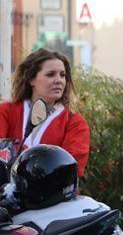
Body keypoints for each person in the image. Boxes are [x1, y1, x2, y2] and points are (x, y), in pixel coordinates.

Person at [0, 48, 90, 176]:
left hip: (55, 195)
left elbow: (71, 168)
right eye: (50, 74)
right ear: (31, 79)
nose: (58, 80)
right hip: (8, 193)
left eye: (62, 75)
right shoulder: (6, 111)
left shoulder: (75, 122)